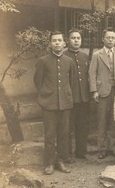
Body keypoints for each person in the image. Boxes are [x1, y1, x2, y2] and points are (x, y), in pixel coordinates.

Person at [34, 31, 75, 175]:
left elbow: (71, 81)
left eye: (60, 40)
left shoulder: (69, 61)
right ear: (50, 43)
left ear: (64, 43)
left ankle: (61, 161)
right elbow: (38, 82)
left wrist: (67, 97)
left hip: (65, 104)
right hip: (49, 104)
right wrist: (44, 96)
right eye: (54, 40)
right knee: (50, 135)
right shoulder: (43, 61)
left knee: (64, 134)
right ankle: (49, 163)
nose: (57, 43)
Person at [89, 27, 115, 159]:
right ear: (103, 39)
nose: (110, 40)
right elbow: (92, 73)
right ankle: (102, 149)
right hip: (102, 91)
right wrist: (94, 91)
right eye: (108, 37)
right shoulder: (97, 55)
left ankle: (114, 148)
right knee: (102, 121)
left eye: (113, 37)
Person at [64, 28, 90, 162]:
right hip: (70, 98)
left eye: (78, 38)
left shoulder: (84, 56)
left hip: (84, 97)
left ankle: (81, 151)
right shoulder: (63, 56)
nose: (76, 40)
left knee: (82, 126)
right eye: (73, 38)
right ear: (68, 40)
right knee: (68, 127)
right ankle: (67, 153)